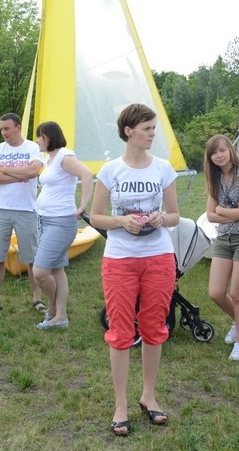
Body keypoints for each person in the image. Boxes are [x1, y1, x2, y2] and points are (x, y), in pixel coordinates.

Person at [89, 103, 180, 436]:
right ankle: (121, 405)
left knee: (155, 327)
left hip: (158, 257)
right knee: (120, 331)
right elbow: (95, 217)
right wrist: (121, 221)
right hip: (120, 259)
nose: (153, 134)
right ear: (128, 131)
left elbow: (175, 216)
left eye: (154, 128)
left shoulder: (163, 169)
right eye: (147, 128)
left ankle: (149, 396)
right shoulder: (111, 170)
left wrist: (160, 218)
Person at [204, 134, 239, 362]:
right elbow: (210, 215)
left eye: (222, 150)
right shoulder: (215, 178)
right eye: (214, 153)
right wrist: (231, 213)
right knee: (216, 293)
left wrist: (221, 210)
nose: (219, 156)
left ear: (230, 150)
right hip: (224, 239)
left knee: (237, 293)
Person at [32, 121, 93, 330]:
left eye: (39, 136)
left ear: (48, 137)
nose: (37, 141)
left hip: (61, 221)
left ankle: (51, 307)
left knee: (40, 272)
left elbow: (86, 174)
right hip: (45, 220)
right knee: (57, 270)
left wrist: (82, 206)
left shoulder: (64, 156)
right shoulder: (48, 159)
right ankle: (60, 316)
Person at [0, 113, 45, 315]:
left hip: (27, 209)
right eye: (1, 129)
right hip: (1, 209)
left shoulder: (32, 148)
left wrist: (3, 170)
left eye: (7, 128)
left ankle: (37, 299)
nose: (4, 132)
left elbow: (33, 172)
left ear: (18, 127)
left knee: (31, 257)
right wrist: (19, 175)